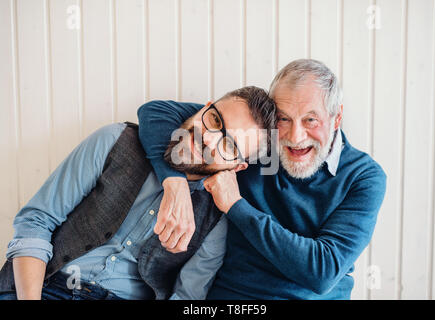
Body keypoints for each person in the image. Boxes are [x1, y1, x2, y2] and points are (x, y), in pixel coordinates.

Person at [137, 59, 387, 299]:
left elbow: (322, 272)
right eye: (284, 119)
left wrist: (236, 206)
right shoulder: (254, 142)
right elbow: (155, 113)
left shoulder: (363, 177)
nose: (295, 136)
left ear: (336, 118)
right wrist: (175, 185)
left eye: (310, 120)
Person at [0, 86, 277, 300]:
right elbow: (36, 223)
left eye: (228, 144)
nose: (208, 137)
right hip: (42, 286)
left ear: (237, 166)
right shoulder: (114, 140)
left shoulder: (216, 220)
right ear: (204, 107)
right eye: (215, 119)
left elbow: (186, 296)